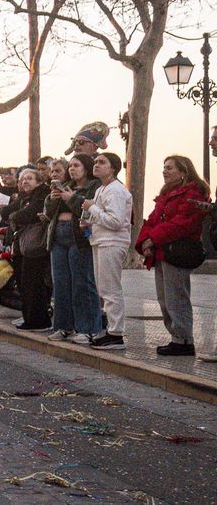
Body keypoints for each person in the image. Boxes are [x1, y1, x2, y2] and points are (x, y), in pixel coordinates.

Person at [135, 155, 211, 358]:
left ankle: (184, 340)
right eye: (164, 167)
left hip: (177, 253)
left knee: (177, 297)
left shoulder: (194, 193)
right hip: (162, 251)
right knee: (164, 298)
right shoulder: (166, 194)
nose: (164, 171)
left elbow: (182, 223)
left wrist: (153, 239)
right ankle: (176, 337)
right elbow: (151, 220)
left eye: (169, 168)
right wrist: (145, 242)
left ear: (183, 171)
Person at [44, 154, 100, 342]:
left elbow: (89, 211)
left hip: (79, 237)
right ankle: (63, 326)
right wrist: (52, 199)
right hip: (58, 236)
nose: (72, 169)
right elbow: (48, 213)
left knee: (81, 282)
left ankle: (87, 328)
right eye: (71, 166)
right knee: (60, 283)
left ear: (86, 167)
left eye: (77, 165)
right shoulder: (65, 185)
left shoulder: (94, 187)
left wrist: (72, 198)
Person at [84, 152, 133, 349]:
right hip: (101, 241)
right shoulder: (102, 189)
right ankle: (111, 330)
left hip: (112, 242)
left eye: (101, 162)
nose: (96, 165)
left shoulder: (115, 190)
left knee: (111, 289)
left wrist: (92, 209)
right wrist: (88, 221)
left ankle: (116, 334)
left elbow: (115, 221)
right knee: (104, 288)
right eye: (95, 162)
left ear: (113, 168)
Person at [8, 168, 52, 331]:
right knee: (23, 282)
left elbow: (28, 213)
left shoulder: (41, 195)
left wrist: (15, 216)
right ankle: (29, 317)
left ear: (39, 181)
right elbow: (7, 211)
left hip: (35, 245)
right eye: (23, 179)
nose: (25, 181)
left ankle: (38, 320)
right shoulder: (23, 197)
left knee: (33, 282)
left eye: (30, 178)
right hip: (22, 244)